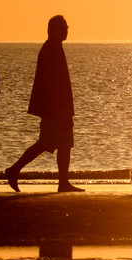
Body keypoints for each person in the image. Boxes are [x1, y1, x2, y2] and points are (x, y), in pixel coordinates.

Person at [5, 15, 84, 192]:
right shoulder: (51, 49)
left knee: (63, 143)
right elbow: (52, 83)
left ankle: (63, 181)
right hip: (55, 109)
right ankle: (14, 170)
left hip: (56, 108)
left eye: (66, 27)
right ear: (52, 30)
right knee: (47, 143)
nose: (65, 31)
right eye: (62, 27)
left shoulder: (54, 48)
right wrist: (61, 109)